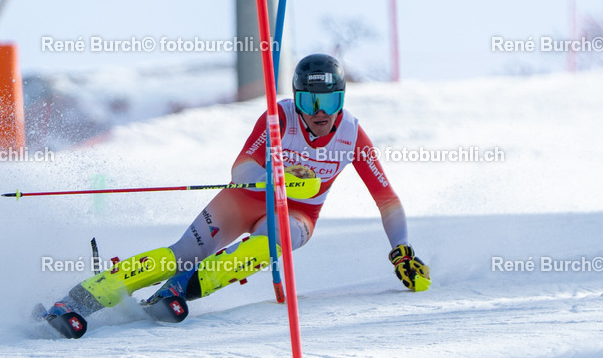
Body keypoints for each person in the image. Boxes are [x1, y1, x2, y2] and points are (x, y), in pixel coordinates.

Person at [41, 54, 430, 338]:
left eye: (328, 101)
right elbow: (240, 168)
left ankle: (180, 289)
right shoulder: (279, 119)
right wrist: (276, 176)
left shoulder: (351, 137)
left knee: (265, 246)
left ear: (341, 100)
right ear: (296, 98)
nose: (319, 112)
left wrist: (402, 250)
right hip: (246, 197)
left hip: (298, 217)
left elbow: (386, 198)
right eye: (310, 101)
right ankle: (79, 301)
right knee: (181, 253)